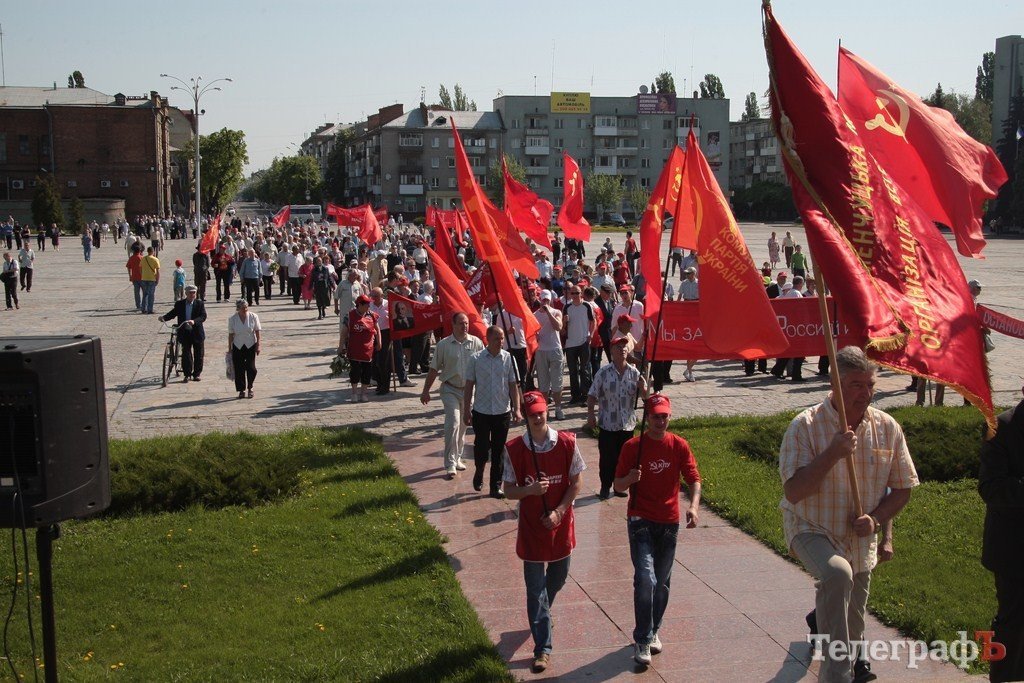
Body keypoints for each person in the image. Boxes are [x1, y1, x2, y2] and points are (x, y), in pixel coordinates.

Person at [779, 346, 917, 683]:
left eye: (870, 385)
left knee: (853, 624)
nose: (866, 393)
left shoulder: (887, 427)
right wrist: (833, 453)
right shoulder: (805, 426)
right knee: (837, 575)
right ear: (835, 384)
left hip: (859, 540)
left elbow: (903, 487)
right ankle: (835, 676)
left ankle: (837, 647)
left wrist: (876, 519)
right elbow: (795, 492)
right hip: (811, 527)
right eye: (856, 385)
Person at [614, 394, 701, 666]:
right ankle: (642, 638)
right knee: (645, 579)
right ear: (647, 418)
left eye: (664, 416)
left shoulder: (679, 446)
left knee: (661, 583)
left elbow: (694, 479)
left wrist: (694, 506)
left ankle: (653, 630)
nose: (660, 421)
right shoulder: (633, 447)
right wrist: (630, 479)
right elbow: (617, 485)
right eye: (655, 416)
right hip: (640, 520)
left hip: (669, 522)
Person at [502, 391, 585, 673]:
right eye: (532, 414)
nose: (538, 417)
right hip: (532, 530)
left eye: (541, 412)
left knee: (558, 578)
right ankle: (542, 648)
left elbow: (576, 482)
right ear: (524, 417)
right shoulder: (514, 449)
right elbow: (508, 489)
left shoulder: (567, 443)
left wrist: (560, 511)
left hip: (561, 526)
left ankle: (544, 613)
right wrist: (530, 490)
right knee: (535, 590)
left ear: (547, 411)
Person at [979, 388, 1024, 683]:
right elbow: (991, 488)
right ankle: (1001, 676)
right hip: (1014, 550)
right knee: (1012, 622)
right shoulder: (1001, 427)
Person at [421, 312, 485, 478]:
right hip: (450, 389)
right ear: (453, 325)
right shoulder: (444, 345)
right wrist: (425, 391)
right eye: (461, 323)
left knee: (464, 425)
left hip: (468, 391)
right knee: (453, 423)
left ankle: (457, 457)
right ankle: (449, 463)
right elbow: (434, 369)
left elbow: (483, 366)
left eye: (467, 323)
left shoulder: (476, 342)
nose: (465, 326)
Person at [464, 326, 521, 498]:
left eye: (502, 338)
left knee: (499, 450)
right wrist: (467, 409)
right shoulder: (476, 359)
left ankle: (495, 486)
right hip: (481, 411)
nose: (500, 342)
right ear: (488, 339)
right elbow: (469, 385)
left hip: (501, 411)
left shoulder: (509, 358)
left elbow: (513, 385)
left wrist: (517, 408)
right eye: (497, 338)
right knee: (481, 448)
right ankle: (479, 469)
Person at [587, 337, 647, 499]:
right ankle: (605, 486)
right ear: (611, 351)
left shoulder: (635, 373)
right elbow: (592, 395)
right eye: (618, 347)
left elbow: (645, 397)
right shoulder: (603, 372)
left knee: (625, 459)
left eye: (624, 347)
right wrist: (591, 413)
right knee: (607, 459)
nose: (622, 349)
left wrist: (643, 388)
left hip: (627, 425)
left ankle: (620, 486)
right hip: (608, 424)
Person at [160, 285, 207, 382]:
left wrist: (194, 321)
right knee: (186, 353)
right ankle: (187, 374)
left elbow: (203, 316)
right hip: (184, 331)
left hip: (197, 332)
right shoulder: (180, 304)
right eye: (190, 292)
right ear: (186, 293)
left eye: (194, 292)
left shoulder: (199, 303)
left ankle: (196, 374)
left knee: (199, 354)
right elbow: (173, 313)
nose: (192, 294)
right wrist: (164, 318)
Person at [338, 294, 380, 403]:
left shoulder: (371, 315)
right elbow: (344, 333)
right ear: (360, 305)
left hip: (368, 350)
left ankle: (364, 393)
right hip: (354, 349)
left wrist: (379, 342)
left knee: (367, 372)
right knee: (355, 372)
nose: (369, 306)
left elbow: (377, 329)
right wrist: (341, 346)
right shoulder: (350, 316)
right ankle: (354, 393)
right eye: (367, 304)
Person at [534, 291, 566, 421]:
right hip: (541, 351)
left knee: (557, 382)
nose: (545, 302)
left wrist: (548, 312)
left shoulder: (556, 312)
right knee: (543, 384)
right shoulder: (534, 315)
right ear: (540, 300)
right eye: (543, 300)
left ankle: (558, 409)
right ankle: (545, 409)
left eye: (547, 300)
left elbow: (558, 326)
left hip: (555, 349)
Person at [563, 284, 596, 405]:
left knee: (584, 369)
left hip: (583, 341)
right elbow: (562, 328)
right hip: (570, 342)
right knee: (573, 370)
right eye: (573, 293)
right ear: (570, 295)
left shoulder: (587, 306)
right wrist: (564, 321)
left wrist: (591, 335)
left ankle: (585, 394)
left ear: (581, 293)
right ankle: (575, 395)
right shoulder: (566, 307)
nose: (575, 296)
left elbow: (593, 321)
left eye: (577, 293)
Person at [228, 299, 261, 399]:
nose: (245, 309)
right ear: (238, 309)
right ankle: (241, 390)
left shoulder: (253, 316)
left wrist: (258, 345)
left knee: (251, 368)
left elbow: (257, 331)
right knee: (239, 369)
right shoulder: (232, 319)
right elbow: (230, 334)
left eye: (246, 307)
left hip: (250, 345)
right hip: (238, 346)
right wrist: (230, 348)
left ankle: (250, 387)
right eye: (243, 308)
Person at [139, 246, 161, 314]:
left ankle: (143, 308)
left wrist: (142, 275)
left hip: (144, 278)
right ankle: (150, 309)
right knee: (151, 295)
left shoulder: (143, 258)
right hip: (152, 279)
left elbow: (140, 268)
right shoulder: (155, 259)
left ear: (147, 251)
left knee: (145, 294)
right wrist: (157, 279)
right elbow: (157, 271)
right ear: (152, 252)